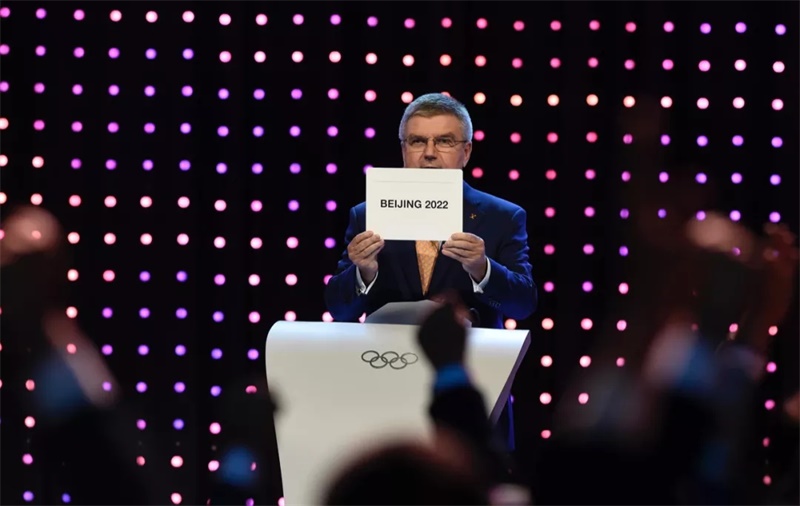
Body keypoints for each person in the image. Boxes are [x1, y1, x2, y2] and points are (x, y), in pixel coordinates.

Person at [324, 93, 537, 329]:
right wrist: (363, 273)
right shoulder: (367, 215)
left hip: (468, 351)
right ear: (403, 150)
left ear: (466, 152)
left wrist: (482, 269)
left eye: (444, 141)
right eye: (417, 141)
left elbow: (523, 306)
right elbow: (339, 310)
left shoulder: (503, 217)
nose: (429, 153)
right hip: (386, 351)